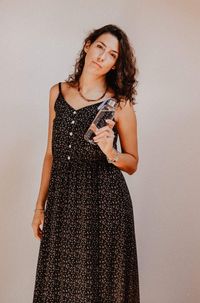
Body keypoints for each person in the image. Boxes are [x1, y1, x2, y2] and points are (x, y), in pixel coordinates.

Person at [31, 24, 140, 302]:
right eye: (100, 47)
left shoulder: (120, 104)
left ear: (116, 64)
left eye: (112, 55)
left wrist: (110, 151)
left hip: (105, 206)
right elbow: (50, 154)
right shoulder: (57, 92)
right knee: (61, 287)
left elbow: (133, 162)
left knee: (102, 289)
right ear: (88, 45)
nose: (103, 56)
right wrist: (39, 206)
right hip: (63, 202)